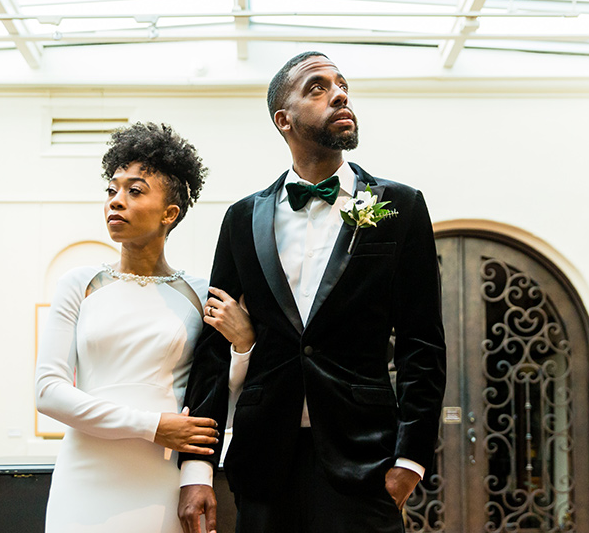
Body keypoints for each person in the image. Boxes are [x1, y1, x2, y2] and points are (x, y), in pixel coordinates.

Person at [178, 52, 446, 533]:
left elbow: (421, 343)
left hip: (364, 459)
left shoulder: (400, 206)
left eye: (341, 84)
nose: (339, 93)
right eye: (317, 88)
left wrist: (411, 459)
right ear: (284, 119)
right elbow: (214, 348)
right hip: (263, 463)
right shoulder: (242, 219)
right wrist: (196, 468)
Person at [35, 122, 254, 533]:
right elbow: (48, 393)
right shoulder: (78, 284)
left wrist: (243, 346)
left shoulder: (201, 293)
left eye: (134, 191)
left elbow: (219, 393)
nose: (115, 201)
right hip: (83, 478)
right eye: (112, 190)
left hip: (163, 481)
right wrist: (154, 426)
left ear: (170, 213)